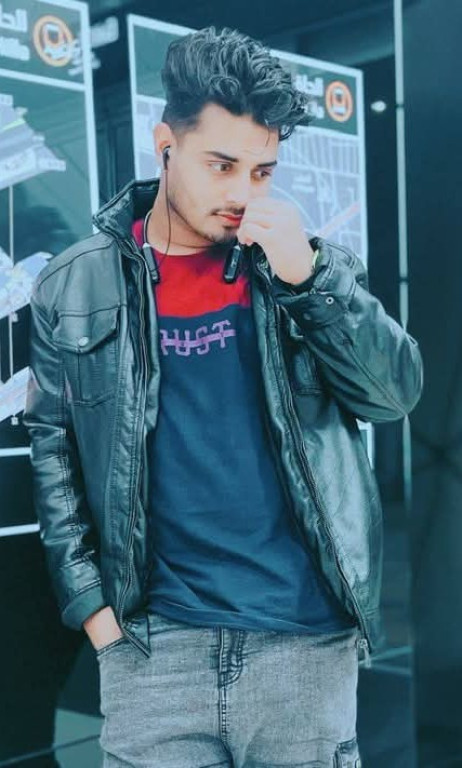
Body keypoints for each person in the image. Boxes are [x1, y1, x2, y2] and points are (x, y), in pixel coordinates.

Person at [23, 26, 423, 768]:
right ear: (165, 146)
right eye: (222, 165)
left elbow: (392, 394)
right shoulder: (75, 283)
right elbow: (54, 452)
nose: (243, 193)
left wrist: (309, 280)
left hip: (304, 646)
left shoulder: (303, 267)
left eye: (263, 171)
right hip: (154, 651)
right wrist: (94, 611)